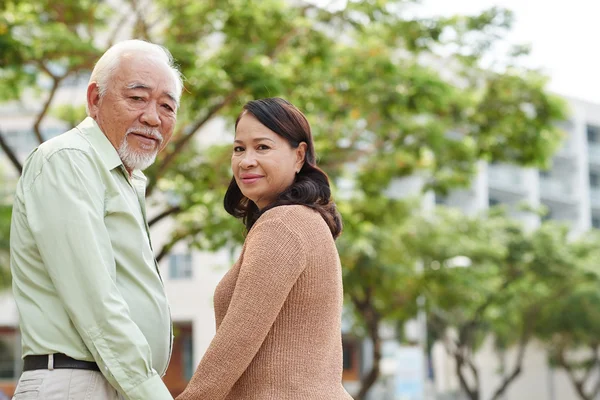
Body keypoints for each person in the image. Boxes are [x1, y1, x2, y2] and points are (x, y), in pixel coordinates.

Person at [10, 39, 183, 400]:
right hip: (76, 384)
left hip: (111, 383)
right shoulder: (69, 159)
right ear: (94, 99)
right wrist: (151, 392)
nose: (153, 117)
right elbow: (94, 298)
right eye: (137, 98)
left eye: (167, 106)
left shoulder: (122, 176)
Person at [177, 97, 353, 400]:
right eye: (238, 148)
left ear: (299, 156)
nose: (246, 160)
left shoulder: (283, 223)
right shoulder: (305, 220)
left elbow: (237, 340)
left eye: (262, 147)